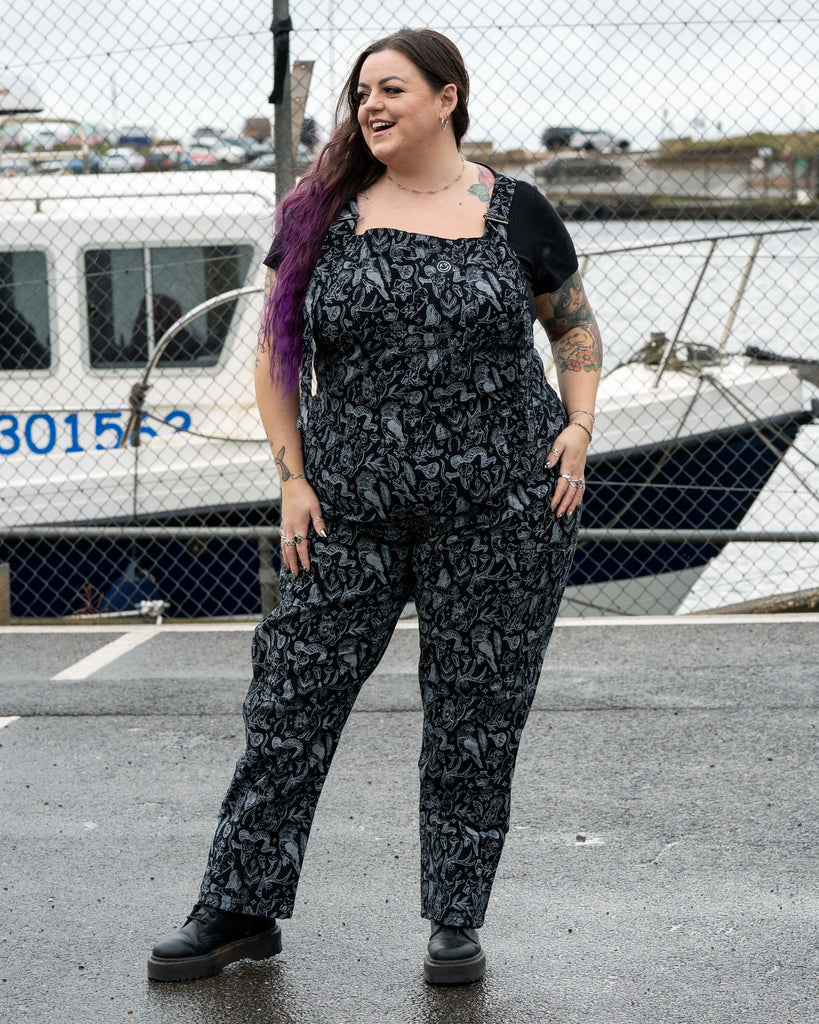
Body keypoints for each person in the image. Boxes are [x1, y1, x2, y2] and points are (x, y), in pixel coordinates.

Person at [148, 27, 601, 986]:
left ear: (447, 97)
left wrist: (579, 424)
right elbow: (275, 355)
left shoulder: (515, 210)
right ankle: (238, 909)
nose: (370, 106)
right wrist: (292, 477)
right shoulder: (320, 210)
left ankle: (454, 920)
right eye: (360, 93)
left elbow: (573, 326)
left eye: (390, 88)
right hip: (345, 506)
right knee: (288, 701)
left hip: (502, 510)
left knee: (476, 714)